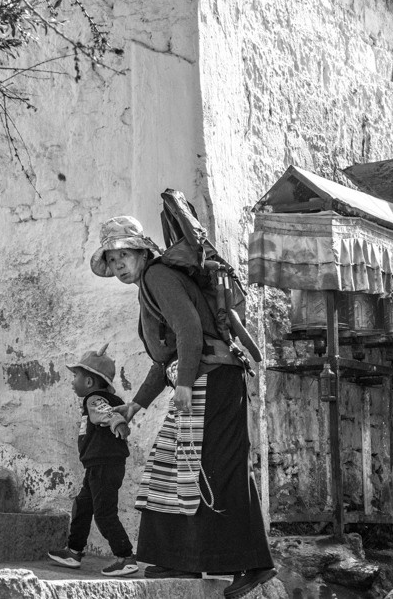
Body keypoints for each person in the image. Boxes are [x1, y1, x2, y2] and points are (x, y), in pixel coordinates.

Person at [91, 215, 276, 599]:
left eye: (123, 254)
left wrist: (187, 383)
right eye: (111, 259)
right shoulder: (150, 284)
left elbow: (190, 332)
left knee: (218, 470)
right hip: (198, 378)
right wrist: (135, 406)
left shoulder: (158, 278)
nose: (118, 265)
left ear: (141, 251)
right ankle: (180, 557)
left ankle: (255, 563)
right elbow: (165, 360)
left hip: (213, 381)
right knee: (171, 466)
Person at [47, 344, 139, 577]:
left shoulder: (94, 398)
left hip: (103, 465)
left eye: (76, 376)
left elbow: (105, 413)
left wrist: (117, 422)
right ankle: (74, 551)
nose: (72, 380)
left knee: (104, 513)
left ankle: (126, 556)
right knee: (83, 506)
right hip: (97, 466)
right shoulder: (100, 397)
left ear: (89, 382)